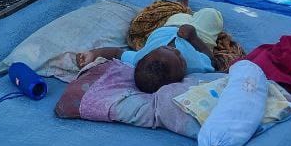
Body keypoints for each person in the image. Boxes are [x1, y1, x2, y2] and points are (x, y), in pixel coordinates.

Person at [74, 24, 215, 93]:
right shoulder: (196, 66)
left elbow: (117, 53)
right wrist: (193, 37)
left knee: (173, 15)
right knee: (210, 16)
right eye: (181, 59)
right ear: (183, 74)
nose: (175, 49)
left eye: (164, 48)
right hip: (194, 33)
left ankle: (181, 8)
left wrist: (93, 54)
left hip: (166, 27)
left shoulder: (139, 58)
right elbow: (209, 57)